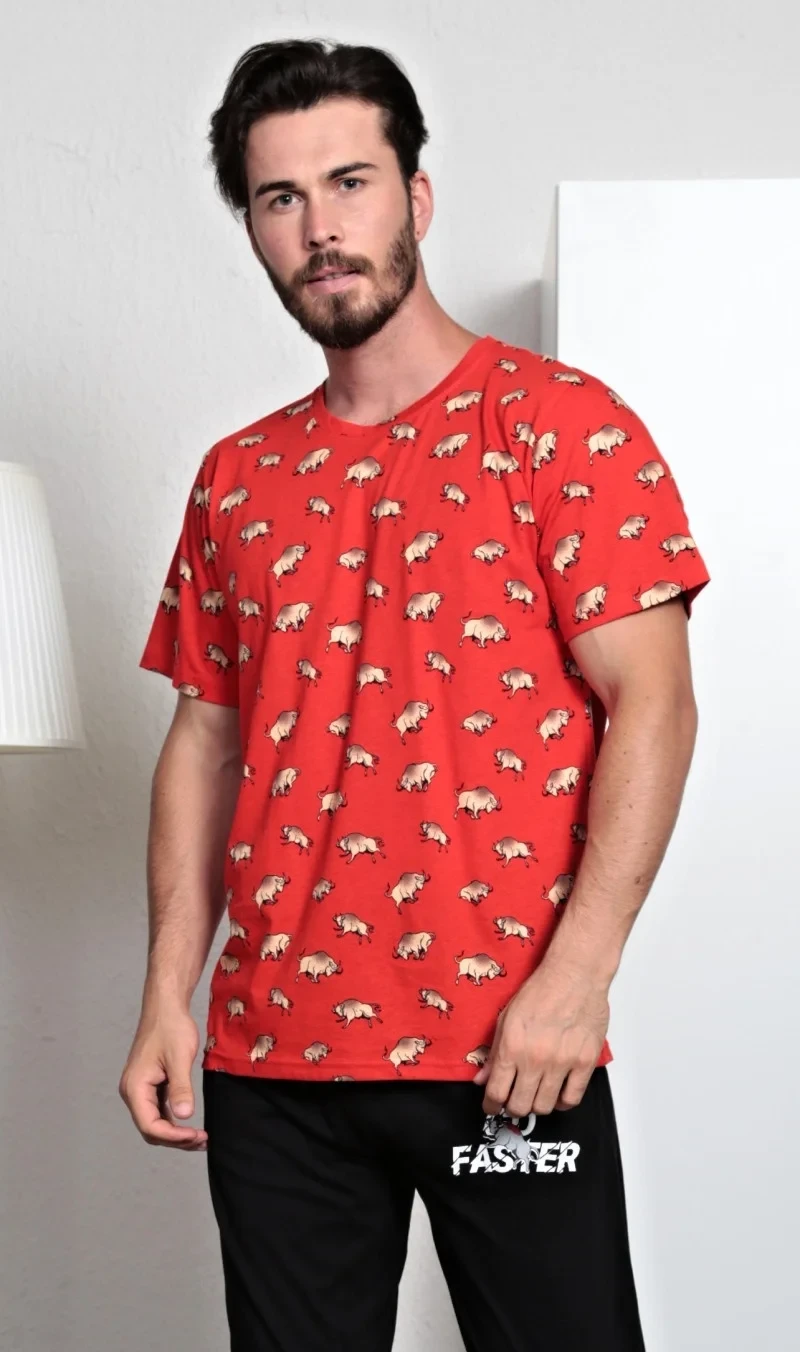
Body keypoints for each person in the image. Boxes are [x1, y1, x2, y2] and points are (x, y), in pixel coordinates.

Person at [119, 37, 711, 1352]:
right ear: (253, 230)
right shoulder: (234, 479)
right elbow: (204, 742)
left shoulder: (562, 426)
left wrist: (577, 982)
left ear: (417, 197)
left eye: (351, 182)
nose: (321, 228)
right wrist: (168, 992)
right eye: (281, 198)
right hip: (274, 1068)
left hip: (513, 1056)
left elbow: (656, 706)